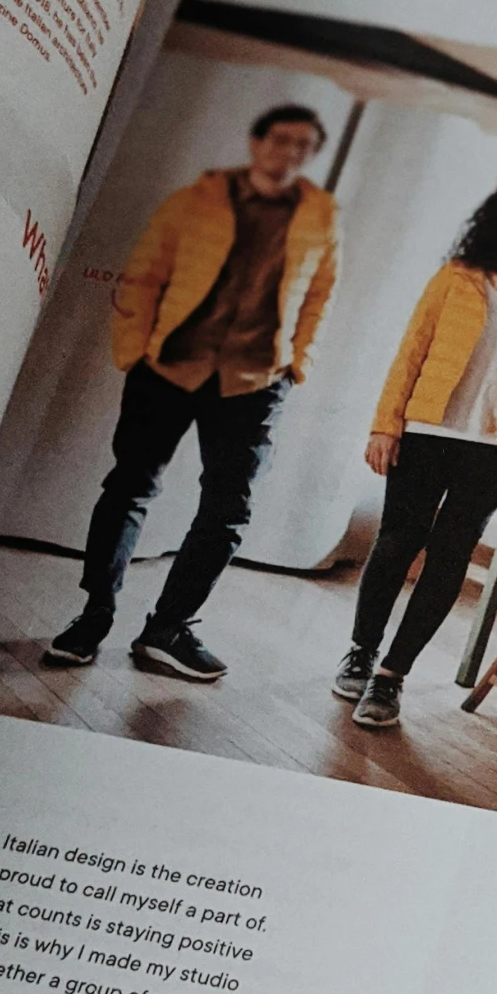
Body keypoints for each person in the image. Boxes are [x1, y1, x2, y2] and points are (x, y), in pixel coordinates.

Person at [44, 104, 339, 682]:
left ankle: (167, 628)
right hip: (170, 368)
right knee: (129, 487)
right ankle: (93, 616)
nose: (292, 153)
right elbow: (145, 273)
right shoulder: (194, 201)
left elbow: (319, 297)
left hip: (253, 383)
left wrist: (295, 366)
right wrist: (136, 349)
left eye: (305, 145)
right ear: (256, 142)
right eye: (282, 139)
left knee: (228, 509)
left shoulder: (321, 217)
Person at [334, 180, 497, 730]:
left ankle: (391, 676)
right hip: (427, 430)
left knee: (451, 554)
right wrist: (386, 424)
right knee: (396, 542)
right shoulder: (458, 275)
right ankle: (361, 651)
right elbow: (411, 350)